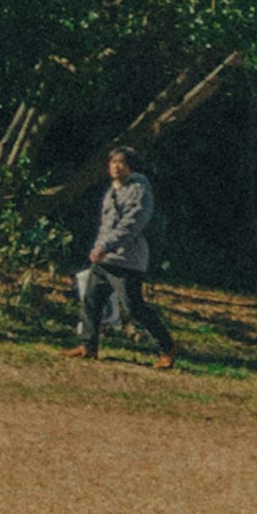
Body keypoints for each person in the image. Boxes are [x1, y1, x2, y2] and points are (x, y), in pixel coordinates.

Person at [73, 145, 177, 365]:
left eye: (121, 162)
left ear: (130, 166)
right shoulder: (112, 190)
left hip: (128, 260)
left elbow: (132, 224)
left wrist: (106, 246)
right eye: (112, 162)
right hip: (105, 258)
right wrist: (99, 247)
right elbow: (105, 225)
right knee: (91, 300)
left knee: (133, 307)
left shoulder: (139, 190)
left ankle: (168, 347)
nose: (116, 166)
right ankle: (88, 346)